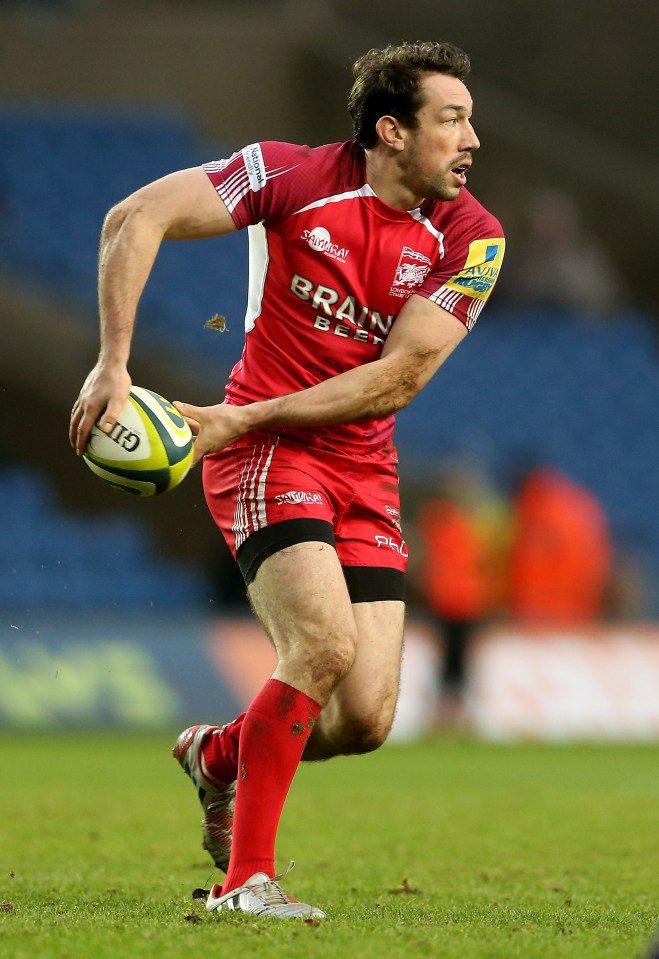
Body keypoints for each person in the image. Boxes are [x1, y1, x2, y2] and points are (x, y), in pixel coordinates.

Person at [69, 40, 505, 919]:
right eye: (451, 119)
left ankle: (217, 753)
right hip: (265, 453)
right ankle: (245, 885)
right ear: (391, 130)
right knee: (321, 648)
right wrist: (111, 364)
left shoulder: (472, 237)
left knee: (362, 720)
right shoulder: (291, 177)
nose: (472, 140)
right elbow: (134, 216)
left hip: (357, 466)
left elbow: (401, 376)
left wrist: (244, 416)